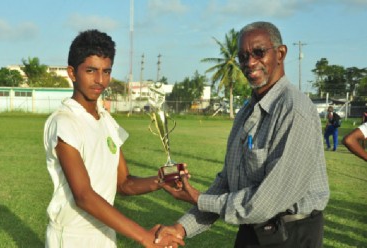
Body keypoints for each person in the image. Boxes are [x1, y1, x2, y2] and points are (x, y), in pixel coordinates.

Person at [157, 21, 330, 248]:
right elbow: (227, 182)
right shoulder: (247, 112)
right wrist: (181, 228)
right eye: (243, 56)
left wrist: (199, 198)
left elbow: (267, 201)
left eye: (259, 52)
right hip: (252, 230)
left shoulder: (295, 109)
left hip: (291, 235)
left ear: (280, 53)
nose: (250, 62)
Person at [43, 29, 184, 248]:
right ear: (72, 73)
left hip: (106, 231)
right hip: (73, 237)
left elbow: (124, 183)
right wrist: (144, 236)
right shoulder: (64, 122)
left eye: (106, 71)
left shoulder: (107, 121)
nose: (100, 80)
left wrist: (162, 181)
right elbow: (84, 196)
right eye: (91, 71)